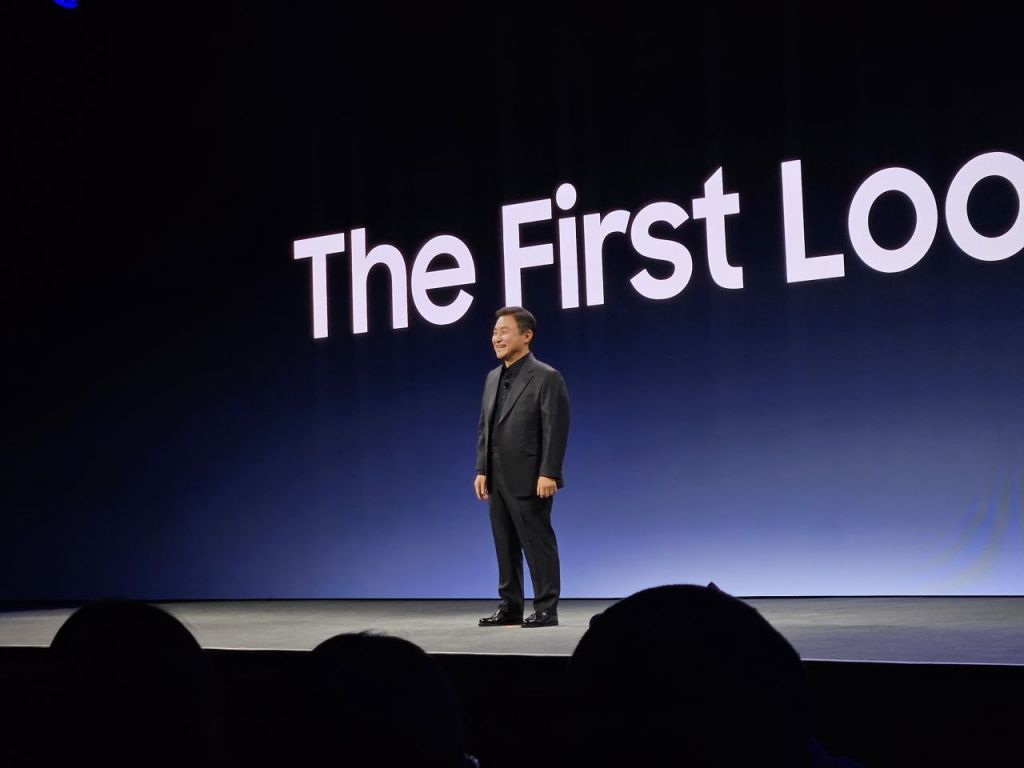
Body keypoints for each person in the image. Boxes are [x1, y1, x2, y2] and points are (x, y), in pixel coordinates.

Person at [474, 306, 569, 628]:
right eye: (494, 332)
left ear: (526, 336)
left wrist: (549, 472)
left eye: (504, 331)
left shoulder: (546, 376)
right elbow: (485, 428)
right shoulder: (492, 378)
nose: (497, 338)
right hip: (497, 475)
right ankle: (510, 607)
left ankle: (546, 608)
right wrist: (481, 469)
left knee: (537, 543)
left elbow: (555, 428)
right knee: (504, 544)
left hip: (530, 475)